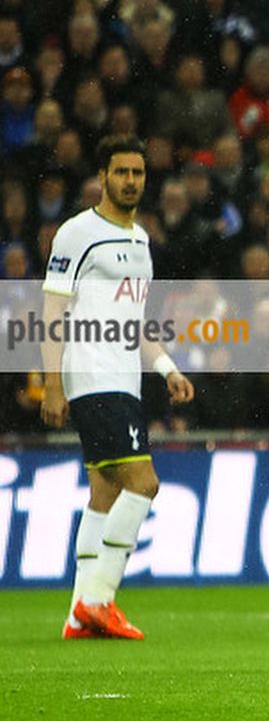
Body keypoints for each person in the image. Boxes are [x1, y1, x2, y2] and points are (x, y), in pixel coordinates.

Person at [42, 135, 195, 640]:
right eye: (121, 172)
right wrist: (51, 385)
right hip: (91, 373)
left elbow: (136, 322)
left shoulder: (140, 240)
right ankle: (99, 600)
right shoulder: (76, 233)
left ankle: (76, 614)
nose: (131, 181)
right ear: (102, 177)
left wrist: (168, 368)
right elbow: (52, 313)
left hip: (124, 376)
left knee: (105, 492)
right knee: (144, 484)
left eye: (138, 173)